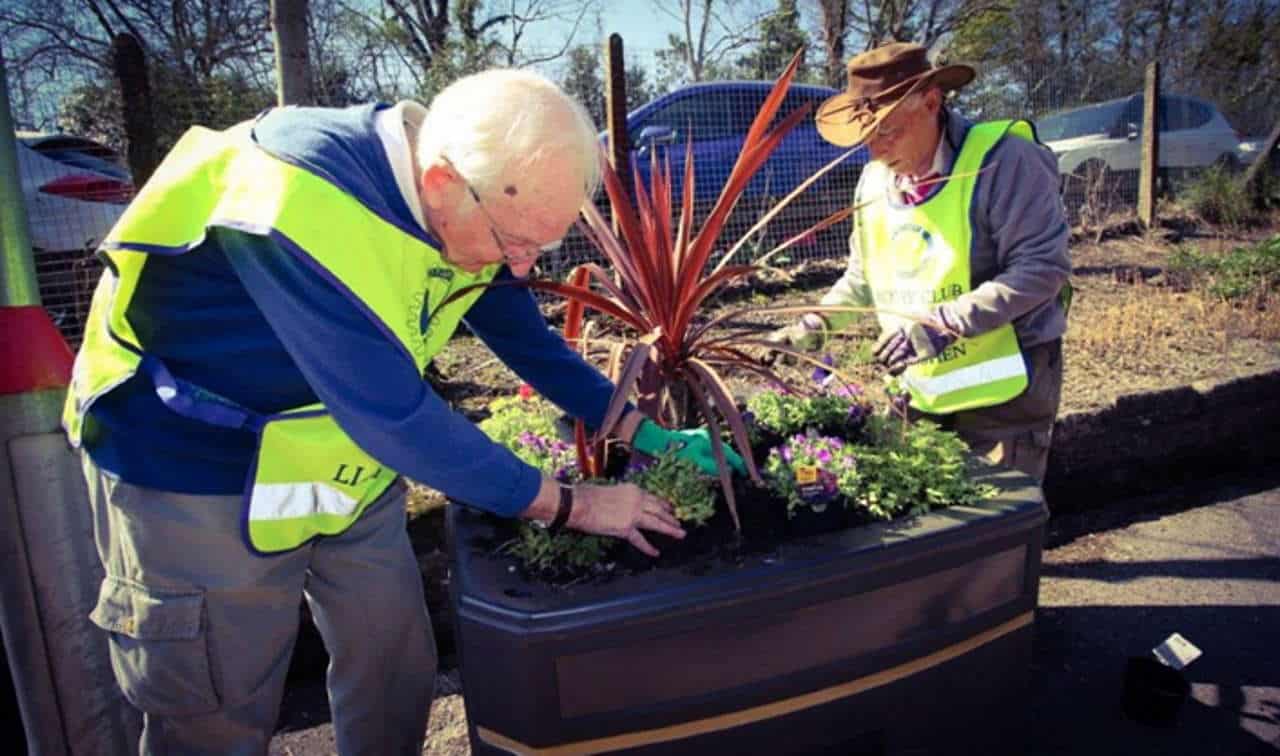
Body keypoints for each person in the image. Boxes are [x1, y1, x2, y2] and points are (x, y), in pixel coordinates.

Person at [63, 69, 743, 755]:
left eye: (544, 244)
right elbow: (394, 415)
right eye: (517, 242)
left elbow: (524, 340)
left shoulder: (473, 197)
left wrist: (646, 431)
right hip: (195, 464)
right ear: (445, 182)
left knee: (394, 664)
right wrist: (579, 505)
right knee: (217, 710)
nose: (521, 265)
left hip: (341, 460)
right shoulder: (301, 194)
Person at [770, 42, 1070, 483]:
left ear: (931, 102)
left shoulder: (1004, 161)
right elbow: (862, 275)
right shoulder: (876, 179)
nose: (875, 150)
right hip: (918, 388)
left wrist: (944, 322)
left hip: (1004, 392)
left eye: (887, 130)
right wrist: (814, 324)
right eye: (866, 136)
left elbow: (1042, 267)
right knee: (923, 529)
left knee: (996, 532)